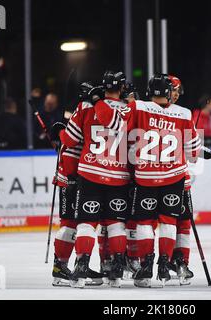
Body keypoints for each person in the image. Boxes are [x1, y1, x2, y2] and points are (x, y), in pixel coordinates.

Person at [115, 74, 211, 287]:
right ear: (167, 91)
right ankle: (165, 264)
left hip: (146, 177)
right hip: (174, 177)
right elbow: (193, 150)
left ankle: (146, 265)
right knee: (169, 221)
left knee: (144, 223)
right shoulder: (185, 113)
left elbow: (115, 126)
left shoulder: (137, 107)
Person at [59, 71, 131, 288]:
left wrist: (61, 129)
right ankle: (116, 269)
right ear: (121, 88)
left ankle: (81, 268)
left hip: (90, 173)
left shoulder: (85, 107)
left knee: (87, 224)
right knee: (116, 224)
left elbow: (69, 139)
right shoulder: (131, 109)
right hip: (119, 176)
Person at [51, 82, 103, 287]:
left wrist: (59, 133)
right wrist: (63, 135)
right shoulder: (88, 109)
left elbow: (68, 139)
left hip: (68, 172)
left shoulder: (79, 110)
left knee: (70, 222)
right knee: (73, 223)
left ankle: (62, 267)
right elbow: (72, 141)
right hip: (75, 175)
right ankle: (62, 268)